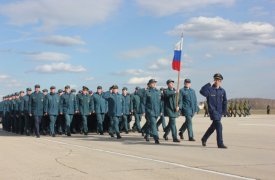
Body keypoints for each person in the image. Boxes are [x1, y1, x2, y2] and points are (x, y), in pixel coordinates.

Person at [200, 73, 228, 149]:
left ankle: (204, 138)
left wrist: (224, 111)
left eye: (218, 80)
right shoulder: (210, 89)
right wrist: (209, 84)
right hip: (212, 111)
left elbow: (225, 101)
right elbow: (202, 91)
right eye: (215, 79)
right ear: (214, 80)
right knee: (219, 126)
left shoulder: (222, 91)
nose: (217, 81)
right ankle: (220, 143)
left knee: (213, 127)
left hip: (219, 112)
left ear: (221, 81)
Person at [143, 79, 162, 144]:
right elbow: (143, 103)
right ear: (150, 84)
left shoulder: (158, 92)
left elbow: (160, 103)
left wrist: (161, 110)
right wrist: (144, 111)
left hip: (157, 111)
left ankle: (147, 134)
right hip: (150, 111)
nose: (154, 84)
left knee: (150, 124)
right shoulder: (147, 92)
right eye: (153, 83)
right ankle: (156, 138)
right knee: (153, 124)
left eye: (155, 83)